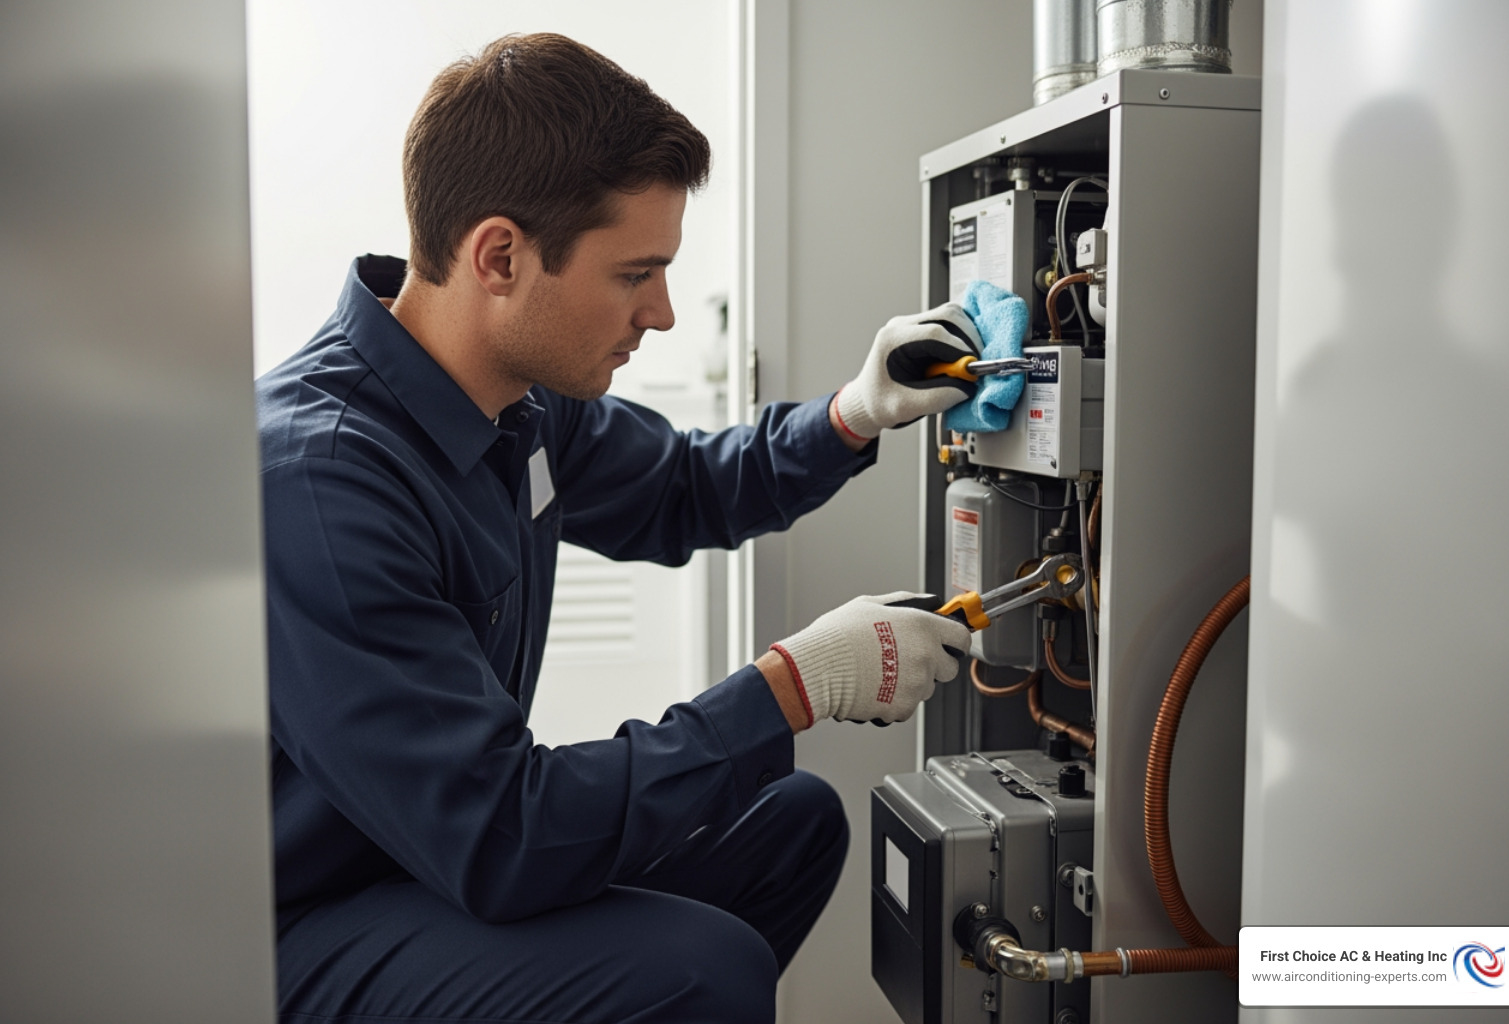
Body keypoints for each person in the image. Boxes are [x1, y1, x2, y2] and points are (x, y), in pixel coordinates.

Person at [258, 32, 979, 1024]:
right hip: (306, 931)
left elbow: (685, 486)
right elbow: (499, 833)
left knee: (792, 821)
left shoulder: (519, 404)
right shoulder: (324, 476)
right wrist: (792, 684)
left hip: (432, 866)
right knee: (701, 966)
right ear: (500, 256)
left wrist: (854, 411)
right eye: (635, 274)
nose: (667, 313)